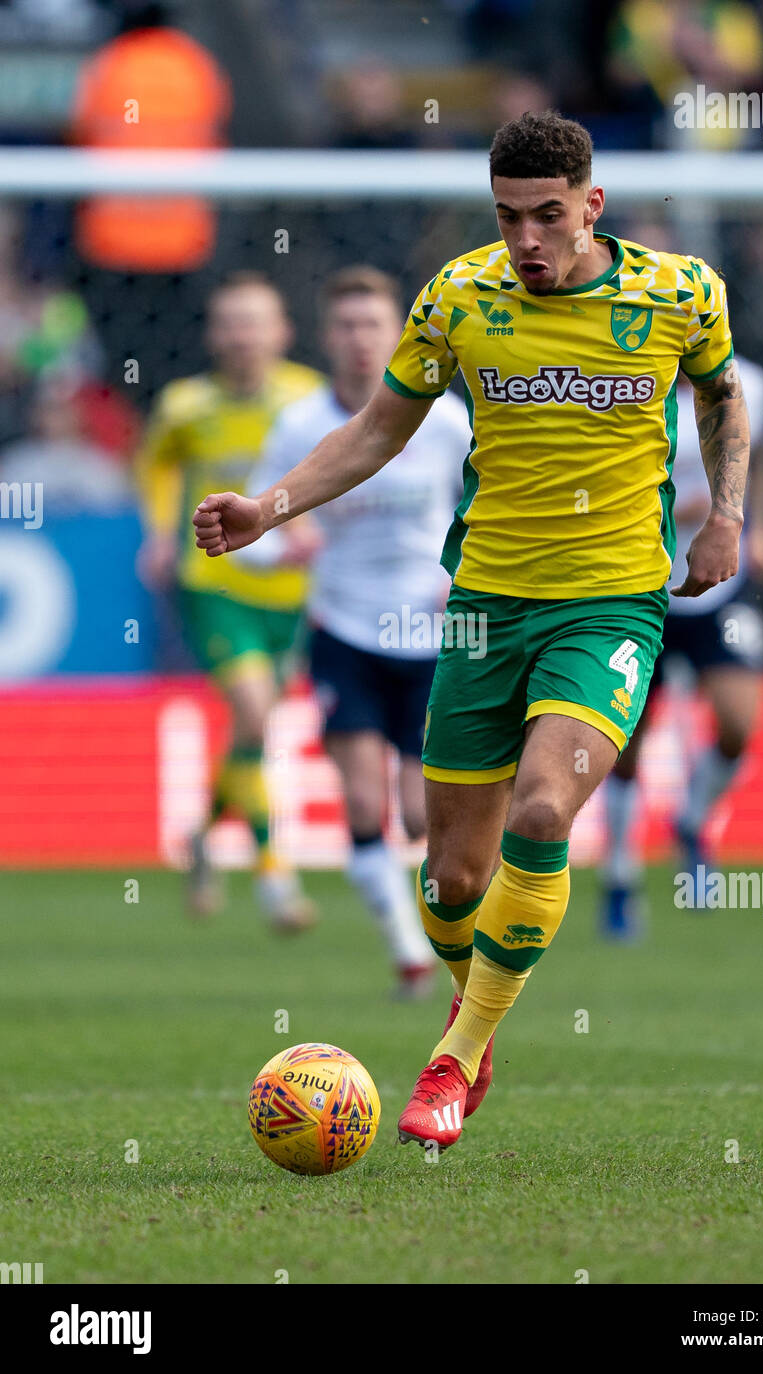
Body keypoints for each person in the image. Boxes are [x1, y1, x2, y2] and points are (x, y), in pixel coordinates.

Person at [192, 111, 749, 1153]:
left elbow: (721, 399)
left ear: (592, 206)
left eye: (546, 218)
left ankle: (449, 1058)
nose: (525, 242)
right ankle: (476, 1015)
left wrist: (725, 515)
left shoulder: (679, 292)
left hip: (609, 604)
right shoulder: (459, 295)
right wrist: (269, 508)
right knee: (452, 881)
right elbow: (374, 430)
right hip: (484, 608)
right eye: (506, 219)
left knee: (542, 809)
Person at [246, 266, 470, 999]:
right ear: (325, 337)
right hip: (343, 628)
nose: (359, 338)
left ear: (398, 332)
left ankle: (461, 941)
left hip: (430, 633)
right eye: (345, 325)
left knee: (420, 813)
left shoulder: (443, 420)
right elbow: (263, 519)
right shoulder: (299, 426)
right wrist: (287, 542)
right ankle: (407, 952)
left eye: (373, 323)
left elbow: (484, 505)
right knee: (367, 804)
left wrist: (460, 571)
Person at [137, 272, 323, 928]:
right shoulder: (186, 405)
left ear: (282, 332)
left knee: (253, 728)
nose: (243, 336)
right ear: (214, 334)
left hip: (292, 590)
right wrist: (160, 533)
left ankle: (202, 835)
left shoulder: (307, 399)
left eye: (256, 322)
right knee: (252, 712)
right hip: (215, 583)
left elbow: (337, 470)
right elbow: (157, 465)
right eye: (231, 323)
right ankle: (277, 878)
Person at [599, 355, 763, 938]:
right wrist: (679, 512)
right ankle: (621, 880)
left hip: (721, 589)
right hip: (636, 590)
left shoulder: (749, 383)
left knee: (738, 723)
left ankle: (694, 820)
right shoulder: (613, 382)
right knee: (621, 745)